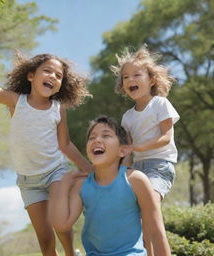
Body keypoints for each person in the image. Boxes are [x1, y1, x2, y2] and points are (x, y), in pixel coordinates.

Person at [0, 27, 92, 256]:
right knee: (44, 240)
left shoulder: (57, 109)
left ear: (61, 85)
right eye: (47, 71)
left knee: (60, 222)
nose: (53, 76)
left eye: (59, 76)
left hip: (55, 172)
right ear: (31, 76)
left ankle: (71, 253)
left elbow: (65, 145)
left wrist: (90, 170)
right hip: (28, 181)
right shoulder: (15, 101)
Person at [50, 115, 171, 256]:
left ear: (123, 150)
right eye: (91, 137)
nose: (97, 140)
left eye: (106, 135)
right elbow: (61, 224)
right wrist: (65, 184)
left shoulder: (135, 180)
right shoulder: (81, 186)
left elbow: (156, 231)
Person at [110, 46, 179, 255]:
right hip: (138, 170)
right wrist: (119, 175)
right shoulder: (127, 117)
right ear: (123, 85)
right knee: (140, 219)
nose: (131, 79)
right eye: (125, 77)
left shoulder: (160, 103)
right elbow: (129, 154)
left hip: (159, 166)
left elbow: (166, 138)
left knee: (151, 212)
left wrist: (138, 147)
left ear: (151, 80)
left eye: (137, 75)